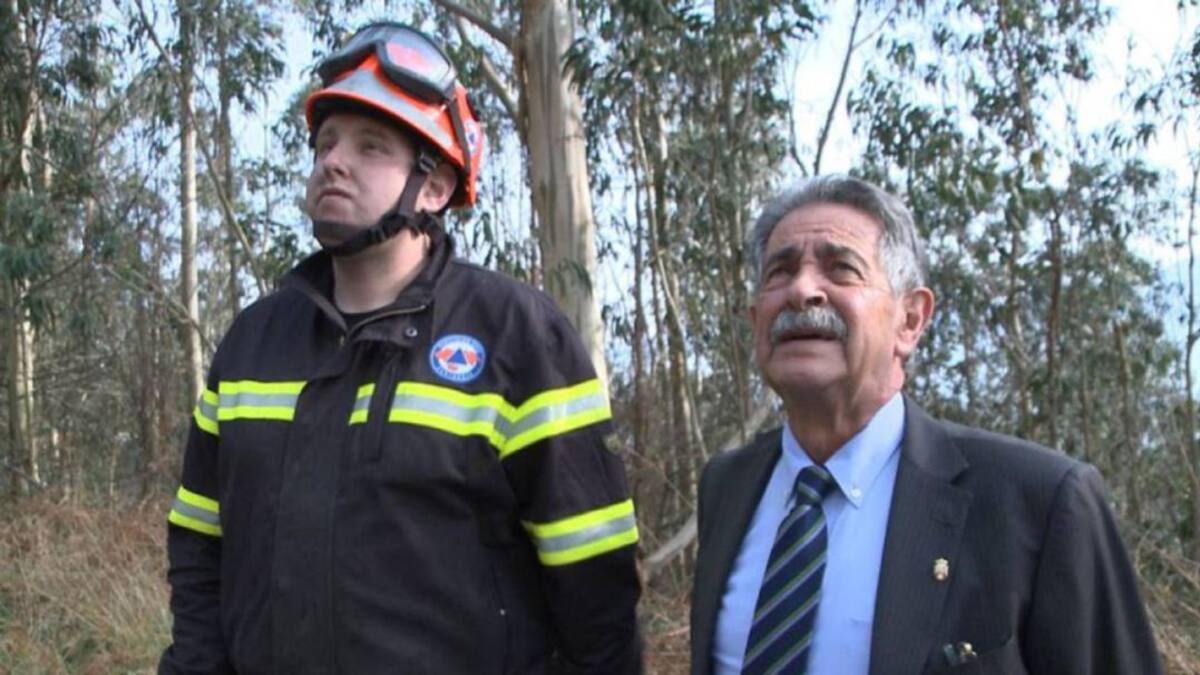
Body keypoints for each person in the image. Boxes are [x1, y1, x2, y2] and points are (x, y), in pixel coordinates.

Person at [160, 22, 641, 675]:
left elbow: (597, 597)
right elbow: (199, 550)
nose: (333, 160)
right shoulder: (253, 343)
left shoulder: (519, 337)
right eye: (326, 142)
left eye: (371, 146)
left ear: (436, 186)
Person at [689, 175, 1161, 674]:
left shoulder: (1039, 500)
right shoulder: (727, 486)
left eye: (841, 269)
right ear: (753, 318)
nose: (802, 290)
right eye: (779, 273)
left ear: (910, 320)